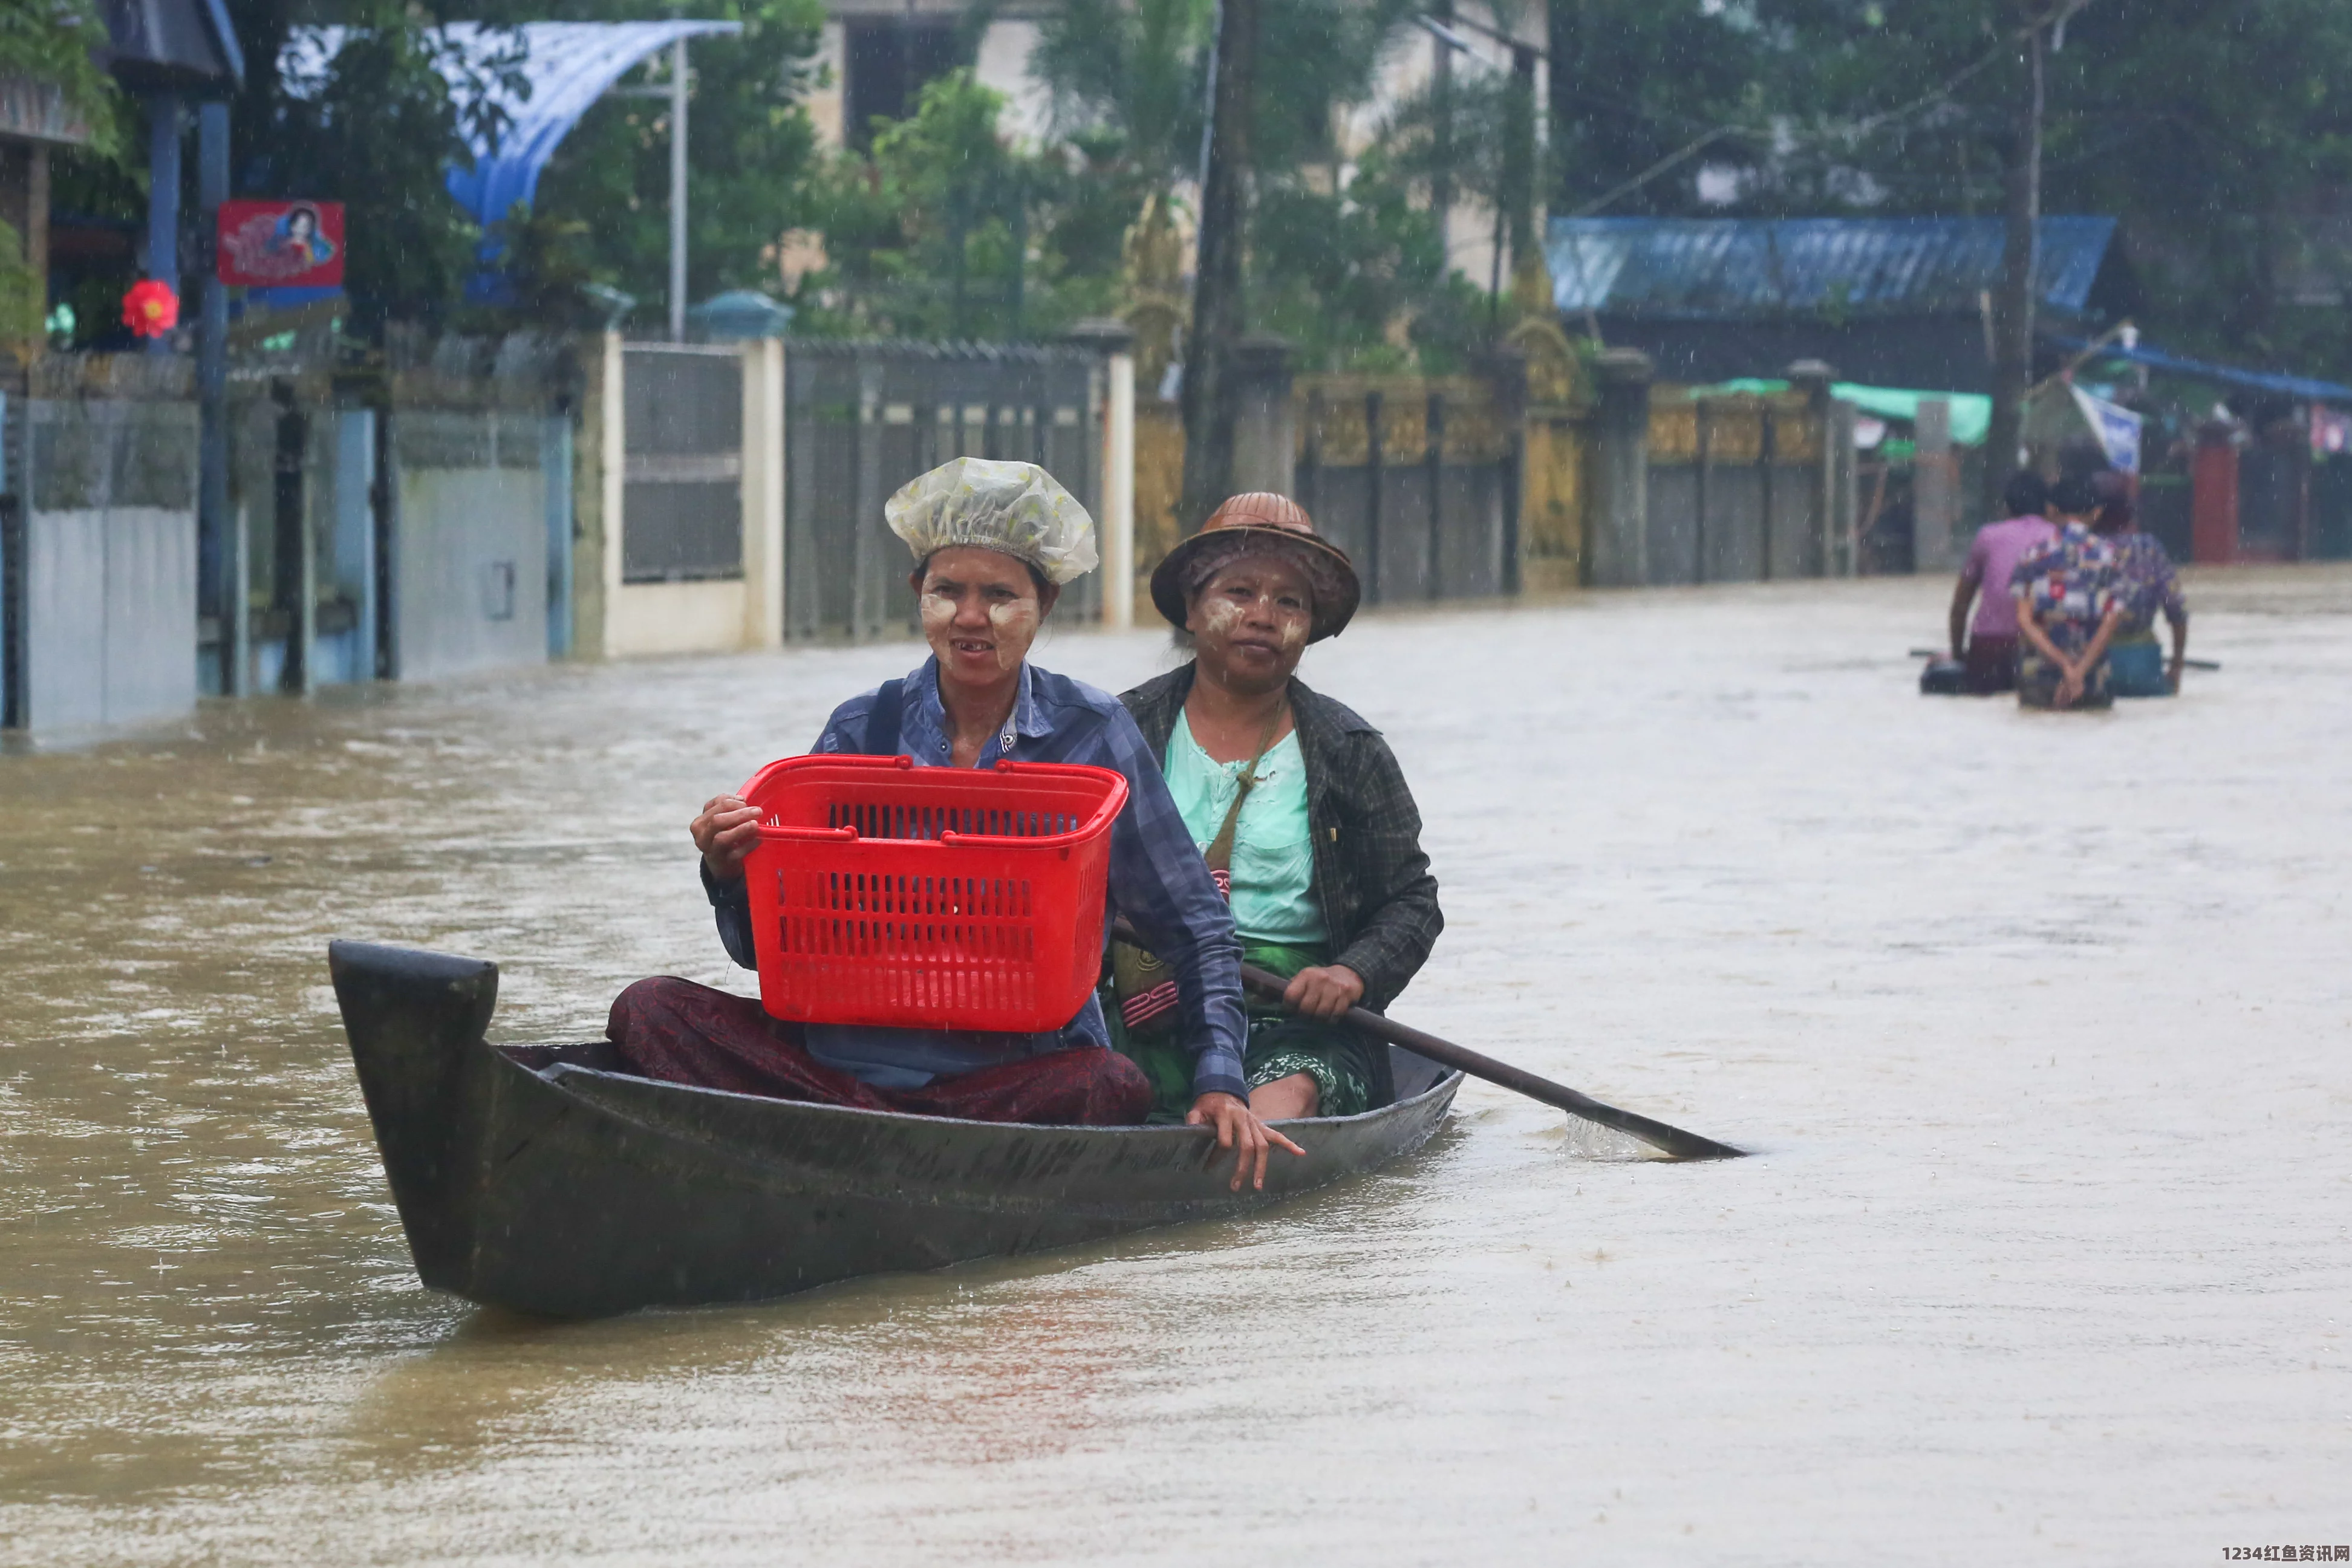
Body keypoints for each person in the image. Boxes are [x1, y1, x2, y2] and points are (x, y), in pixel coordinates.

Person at [610, 458, 1299, 1188]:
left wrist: (1221, 1081)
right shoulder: (860, 727)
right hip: (836, 1065)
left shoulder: (1095, 733)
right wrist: (727, 870)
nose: (971, 618)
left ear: (1046, 602)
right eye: (948, 592)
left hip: (1006, 1084)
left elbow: (1195, 926)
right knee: (649, 1010)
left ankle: (836, 1143)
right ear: (918, 594)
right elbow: (766, 952)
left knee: (1111, 1085)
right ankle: (869, 1131)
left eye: (1000, 595)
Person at [1112, 493, 1442, 1124]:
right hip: (1143, 1004)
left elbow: (1411, 902)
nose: (1262, 616)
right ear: (1191, 606)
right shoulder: (1119, 730)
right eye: (1238, 592)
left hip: (1291, 1022)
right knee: (1090, 1088)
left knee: (1274, 1110)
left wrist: (1350, 973)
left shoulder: (1349, 752)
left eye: (1287, 602)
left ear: (1311, 625)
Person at [2012, 472, 2125, 711]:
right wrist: (2079, 672)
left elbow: (2024, 621)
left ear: (2051, 510)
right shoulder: (2110, 558)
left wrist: (2065, 665)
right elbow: (2111, 620)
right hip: (2094, 678)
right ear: (2097, 513)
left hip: (2039, 675)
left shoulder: (2032, 556)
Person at [1947, 470, 2059, 694]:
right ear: (2048, 508)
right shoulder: (2057, 537)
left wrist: (1959, 655)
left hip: (1989, 649)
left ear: (2007, 508)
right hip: (2042, 650)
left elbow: (1960, 606)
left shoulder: (1987, 536)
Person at [2090, 470, 2190, 697]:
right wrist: (2176, 667)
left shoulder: (2078, 550)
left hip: (2086, 668)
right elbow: (2177, 610)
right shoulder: (2149, 548)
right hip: (2141, 667)